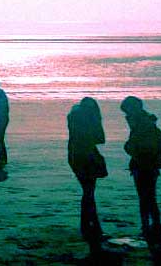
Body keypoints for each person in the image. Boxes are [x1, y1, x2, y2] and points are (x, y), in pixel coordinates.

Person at [121, 96, 161, 239]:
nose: (127, 116)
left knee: (145, 197)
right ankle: (153, 225)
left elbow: (137, 146)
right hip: (148, 164)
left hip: (144, 164)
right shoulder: (147, 123)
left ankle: (148, 226)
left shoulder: (142, 124)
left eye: (127, 112)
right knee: (149, 196)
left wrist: (129, 148)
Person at [67, 97, 108, 251]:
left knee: (88, 192)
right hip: (87, 156)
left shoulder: (73, 118)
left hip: (74, 155)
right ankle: (91, 226)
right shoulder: (90, 118)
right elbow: (100, 139)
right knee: (89, 192)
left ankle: (88, 225)